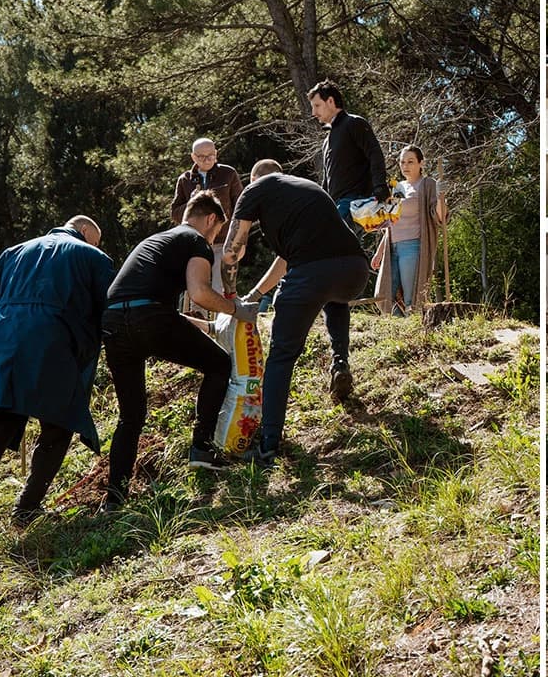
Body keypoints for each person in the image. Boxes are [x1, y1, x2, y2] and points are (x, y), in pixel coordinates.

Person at [0, 217, 114, 554]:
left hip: (1, 338)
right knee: (58, 424)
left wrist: (9, 320)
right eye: (97, 240)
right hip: (52, 338)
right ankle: (27, 509)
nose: (97, 246)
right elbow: (112, 307)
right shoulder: (92, 257)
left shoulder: (16, 251)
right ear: (87, 234)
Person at [102, 191, 259, 509]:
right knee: (217, 364)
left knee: (130, 416)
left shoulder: (156, 241)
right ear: (212, 220)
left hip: (114, 321)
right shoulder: (196, 241)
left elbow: (157, 311)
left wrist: (208, 326)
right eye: (216, 232)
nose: (213, 238)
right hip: (148, 318)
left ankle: (114, 499)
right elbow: (199, 292)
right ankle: (202, 449)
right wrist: (237, 310)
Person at [223, 159, 369, 467]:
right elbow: (286, 260)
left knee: (282, 355)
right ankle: (339, 362)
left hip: (311, 275)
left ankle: (268, 445)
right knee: (333, 295)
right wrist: (256, 295)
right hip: (354, 271)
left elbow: (233, 248)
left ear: (255, 179)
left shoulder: (254, 189)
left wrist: (230, 296)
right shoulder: (307, 189)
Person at [308, 79, 389, 240]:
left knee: (333, 244)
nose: (313, 113)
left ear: (330, 101)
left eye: (317, 106)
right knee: (337, 249)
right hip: (336, 204)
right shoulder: (327, 140)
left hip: (354, 202)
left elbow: (375, 154)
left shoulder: (354, 123)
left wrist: (380, 185)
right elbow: (327, 179)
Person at [372, 145, 447, 315]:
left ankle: (411, 331)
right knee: (383, 295)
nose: (405, 166)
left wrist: (441, 196)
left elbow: (439, 217)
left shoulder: (427, 184)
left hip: (412, 247)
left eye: (411, 162)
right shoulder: (397, 187)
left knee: (411, 298)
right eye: (402, 162)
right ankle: (398, 327)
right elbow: (391, 223)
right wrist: (379, 251)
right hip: (392, 248)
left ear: (421, 163)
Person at [170, 137, 244, 296]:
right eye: (201, 157)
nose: (207, 160)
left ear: (216, 154)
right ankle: (198, 320)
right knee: (196, 290)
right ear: (193, 157)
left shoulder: (228, 174)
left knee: (220, 289)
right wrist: (191, 201)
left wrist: (238, 238)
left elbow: (241, 206)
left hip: (222, 241)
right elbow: (175, 213)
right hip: (194, 243)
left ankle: (220, 321)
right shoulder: (185, 180)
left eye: (210, 155)